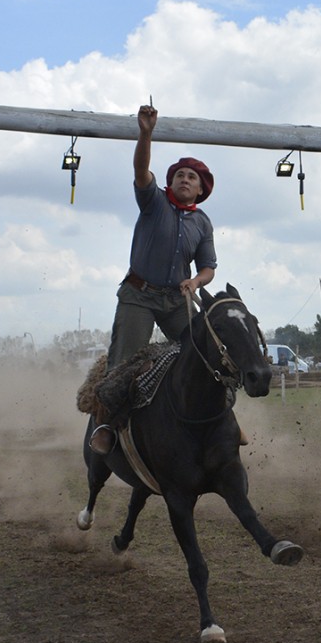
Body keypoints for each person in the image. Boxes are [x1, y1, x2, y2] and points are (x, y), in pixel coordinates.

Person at [90, 104, 218, 455]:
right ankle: (105, 427)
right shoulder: (153, 202)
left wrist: (196, 282)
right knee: (123, 362)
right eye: (179, 175)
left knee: (203, 353)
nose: (184, 179)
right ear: (171, 181)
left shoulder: (202, 223)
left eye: (192, 177)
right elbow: (141, 169)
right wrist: (146, 133)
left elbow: (208, 266)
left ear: (201, 188)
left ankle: (216, 421)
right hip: (139, 296)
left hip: (177, 299)